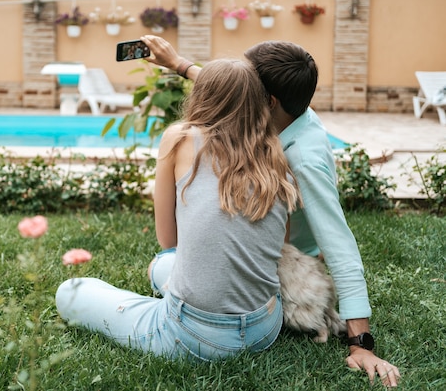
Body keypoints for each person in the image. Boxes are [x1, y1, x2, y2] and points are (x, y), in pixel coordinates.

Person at [140, 35, 401, 387]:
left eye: (249, 83)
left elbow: (341, 247)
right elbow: (230, 92)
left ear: (269, 100)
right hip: (256, 262)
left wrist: (361, 344)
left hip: (281, 264)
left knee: (166, 264)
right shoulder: (294, 111)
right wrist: (179, 65)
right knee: (162, 267)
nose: (240, 88)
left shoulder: (302, 159)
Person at [56, 59, 299, 361]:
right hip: (264, 326)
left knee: (71, 291)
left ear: (201, 95)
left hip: (192, 333)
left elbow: (168, 239)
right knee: (161, 266)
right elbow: (279, 247)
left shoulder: (180, 137)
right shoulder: (277, 155)